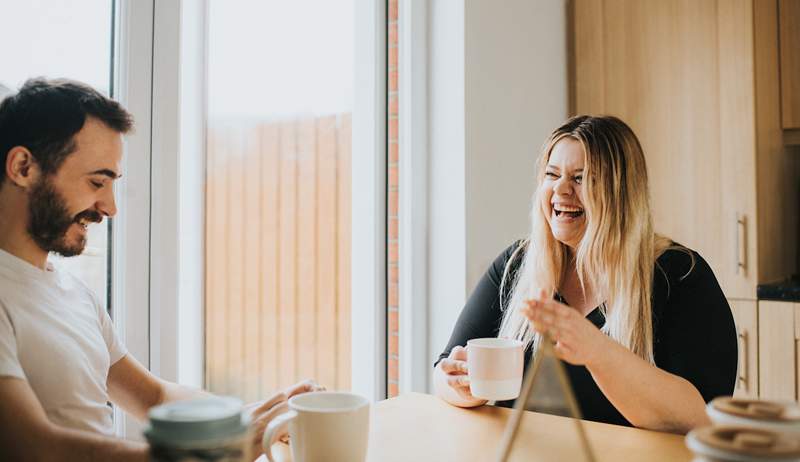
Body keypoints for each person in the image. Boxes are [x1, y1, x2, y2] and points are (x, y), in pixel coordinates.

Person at [0, 78, 316, 461]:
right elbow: (34, 447)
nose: (110, 207)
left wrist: (260, 416)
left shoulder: (73, 293)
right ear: (22, 167)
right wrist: (205, 455)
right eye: (97, 181)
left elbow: (154, 397)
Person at [434, 115, 737, 434]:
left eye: (581, 178)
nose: (561, 189)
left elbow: (703, 417)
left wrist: (595, 349)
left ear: (620, 192)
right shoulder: (517, 264)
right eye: (552, 175)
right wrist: (461, 386)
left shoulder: (680, 275)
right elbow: (444, 370)